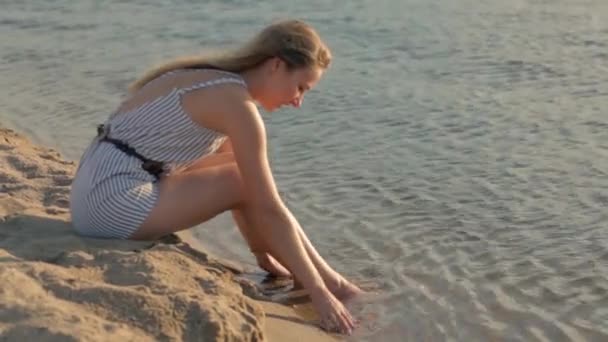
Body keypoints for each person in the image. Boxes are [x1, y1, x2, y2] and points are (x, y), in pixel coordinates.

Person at [69, 19, 363, 334]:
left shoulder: (216, 81)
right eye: (300, 87)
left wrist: (261, 252)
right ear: (276, 65)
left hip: (94, 186)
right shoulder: (237, 106)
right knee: (247, 184)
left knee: (240, 171)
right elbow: (265, 204)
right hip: (108, 202)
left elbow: (240, 184)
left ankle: (320, 278)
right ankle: (333, 286)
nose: (298, 102)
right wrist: (320, 296)